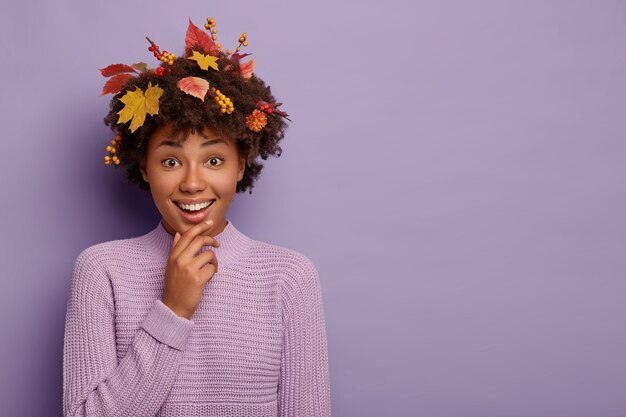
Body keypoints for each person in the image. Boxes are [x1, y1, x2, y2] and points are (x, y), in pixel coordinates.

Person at [62, 16, 331, 417]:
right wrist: (173, 310)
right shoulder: (101, 271)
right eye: (171, 160)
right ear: (143, 167)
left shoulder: (289, 277)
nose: (192, 183)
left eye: (214, 160)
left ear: (241, 165)